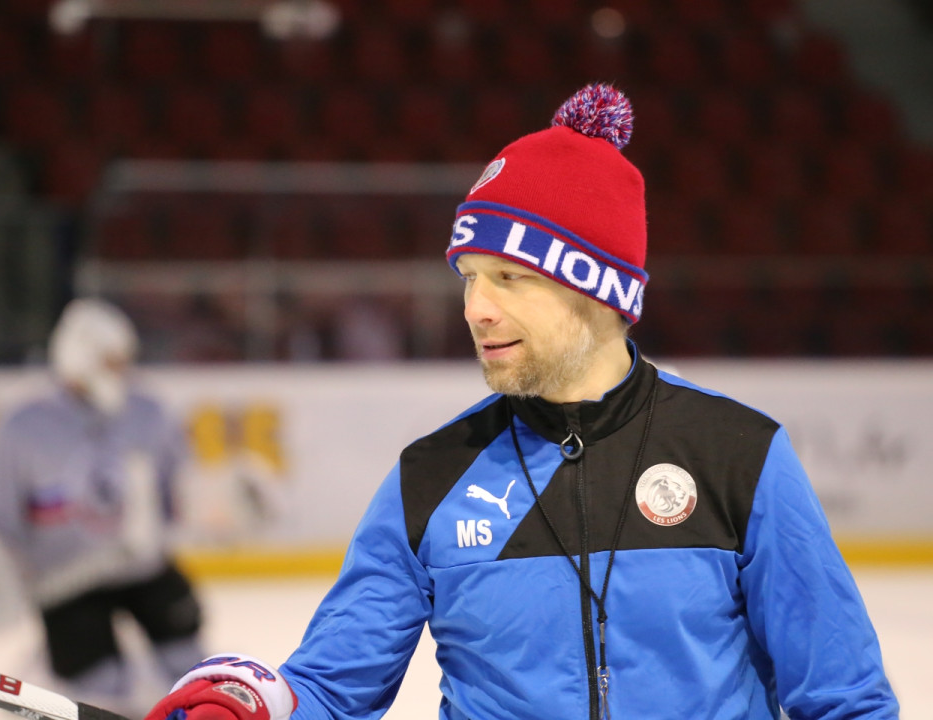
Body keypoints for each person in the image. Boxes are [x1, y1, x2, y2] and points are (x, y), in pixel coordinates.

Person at [142, 84, 899, 719]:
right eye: (469, 278)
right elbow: (330, 689)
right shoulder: (431, 478)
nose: (476, 309)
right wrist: (255, 702)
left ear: (598, 291)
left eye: (510, 279)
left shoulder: (738, 456)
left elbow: (846, 699)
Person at [0, 298, 204, 717]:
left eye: (125, 361)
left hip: (145, 570)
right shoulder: (22, 425)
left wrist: (220, 503)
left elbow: (182, 492)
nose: (122, 372)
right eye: (112, 362)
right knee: (101, 694)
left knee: (191, 666)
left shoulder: (149, 411)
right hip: (66, 587)